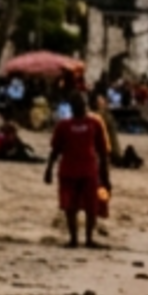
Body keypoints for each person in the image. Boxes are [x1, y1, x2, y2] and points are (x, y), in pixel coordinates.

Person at [44, 95, 112, 249]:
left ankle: (88, 238)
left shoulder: (94, 124)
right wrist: (48, 169)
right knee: (70, 207)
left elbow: (102, 152)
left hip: (88, 171)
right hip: (69, 170)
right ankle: (74, 238)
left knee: (91, 206)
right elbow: (55, 150)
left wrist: (105, 175)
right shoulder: (63, 126)